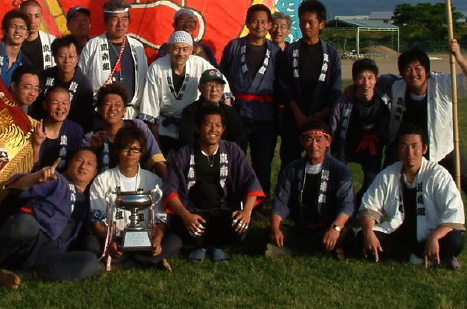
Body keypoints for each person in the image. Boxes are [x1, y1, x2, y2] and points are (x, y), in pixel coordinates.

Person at [383, 41, 467, 229]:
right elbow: (374, 83)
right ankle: (387, 212)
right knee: (390, 174)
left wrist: (459, 57)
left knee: (466, 178)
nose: (413, 74)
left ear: (427, 70)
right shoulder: (397, 87)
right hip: (407, 146)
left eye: (418, 68)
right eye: (407, 69)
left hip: (442, 145)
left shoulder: (443, 83)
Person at [0, 148, 102, 288]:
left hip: (52, 253)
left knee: (91, 262)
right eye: (79, 160)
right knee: (25, 223)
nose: (83, 166)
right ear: (70, 162)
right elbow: (14, 186)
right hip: (32, 237)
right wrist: (35, 178)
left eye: (89, 164)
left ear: (95, 172)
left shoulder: (91, 200)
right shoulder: (56, 179)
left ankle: (20, 275)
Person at [164, 104, 264, 262]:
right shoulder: (184, 153)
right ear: (198, 128)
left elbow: (250, 182)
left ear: (223, 129)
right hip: (193, 212)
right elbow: (171, 189)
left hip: (223, 211)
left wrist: (246, 212)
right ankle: (203, 245)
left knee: (239, 225)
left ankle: (214, 246)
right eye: (208, 124)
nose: (213, 129)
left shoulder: (233, 151)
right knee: (183, 226)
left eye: (218, 125)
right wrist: (186, 215)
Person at [358, 124, 466, 270]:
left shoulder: (438, 174)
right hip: (400, 234)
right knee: (362, 236)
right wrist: (369, 232)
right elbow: (369, 206)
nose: (410, 152)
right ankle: (419, 260)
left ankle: (436, 254)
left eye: (415, 146)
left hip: (429, 234)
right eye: (404, 146)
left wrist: (434, 237)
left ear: (424, 149)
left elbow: (454, 213)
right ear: (398, 149)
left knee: (456, 240)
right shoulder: (388, 174)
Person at [87, 127, 181, 271]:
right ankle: (145, 261)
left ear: (142, 153)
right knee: (91, 243)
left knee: (174, 241)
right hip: (116, 238)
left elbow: (161, 218)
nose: (130, 153)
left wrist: (157, 239)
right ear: (117, 151)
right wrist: (111, 241)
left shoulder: (153, 180)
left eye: (135, 149)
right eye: (126, 148)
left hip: (146, 239)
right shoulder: (102, 180)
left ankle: (126, 262)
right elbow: (97, 220)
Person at [267, 120, 354, 259]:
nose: (314, 145)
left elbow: (347, 204)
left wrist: (335, 228)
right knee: (271, 232)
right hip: (302, 228)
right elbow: (280, 202)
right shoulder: (292, 169)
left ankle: (292, 252)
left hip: (329, 227)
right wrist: (275, 228)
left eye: (319, 140)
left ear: (328, 141)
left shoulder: (340, 170)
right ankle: (322, 251)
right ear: (302, 142)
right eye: (309, 140)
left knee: (345, 235)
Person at [220, 4, 282, 199]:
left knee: (262, 162)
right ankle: (233, 197)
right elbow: (223, 77)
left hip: (265, 116)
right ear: (247, 23)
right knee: (234, 159)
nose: (259, 26)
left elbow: (281, 85)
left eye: (264, 22)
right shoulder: (234, 46)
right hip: (237, 113)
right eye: (255, 21)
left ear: (270, 25)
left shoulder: (276, 52)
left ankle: (260, 200)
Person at [140, 31, 230, 155]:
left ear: (191, 50)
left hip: (191, 125)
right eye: (176, 48)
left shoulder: (199, 63)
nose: (181, 53)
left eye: (185, 49)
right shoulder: (156, 68)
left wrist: (222, 109)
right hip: (163, 128)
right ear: (169, 48)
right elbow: (150, 111)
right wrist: (156, 148)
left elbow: (222, 84)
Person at [278, 0, 342, 170]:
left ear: (321, 24)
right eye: (302, 22)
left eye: (310, 22)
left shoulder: (331, 53)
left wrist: (324, 112)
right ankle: (287, 196)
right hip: (294, 117)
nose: (306, 26)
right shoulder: (290, 51)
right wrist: (297, 113)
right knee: (289, 160)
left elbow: (335, 87)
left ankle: (318, 196)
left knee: (319, 162)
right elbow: (283, 85)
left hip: (321, 118)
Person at [329, 58, 390, 206]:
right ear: (355, 80)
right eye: (361, 78)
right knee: (339, 178)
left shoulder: (384, 98)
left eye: (370, 78)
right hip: (347, 144)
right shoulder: (344, 101)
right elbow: (333, 126)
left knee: (372, 180)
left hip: (372, 147)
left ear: (376, 79)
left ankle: (359, 206)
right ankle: (340, 206)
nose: (366, 83)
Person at [79, 0, 148, 119]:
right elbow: (81, 79)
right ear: (106, 21)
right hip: (101, 114)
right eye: (115, 19)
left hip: (131, 115)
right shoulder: (92, 45)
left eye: (124, 19)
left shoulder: (137, 47)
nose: (120, 24)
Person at [82, 83, 167, 179]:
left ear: (124, 110)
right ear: (100, 110)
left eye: (117, 105)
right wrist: (93, 149)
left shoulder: (138, 126)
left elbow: (155, 158)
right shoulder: (91, 137)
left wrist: (168, 185)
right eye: (107, 104)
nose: (112, 108)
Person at [178, 68, 248, 152]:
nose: (214, 90)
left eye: (218, 85)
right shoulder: (190, 111)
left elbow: (240, 139)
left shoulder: (230, 112)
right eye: (209, 85)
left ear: (223, 90)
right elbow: (186, 140)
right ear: (200, 88)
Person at [36, 35, 94, 131]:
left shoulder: (84, 86)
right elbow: (36, 109)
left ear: (77, 58)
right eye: (62, 56)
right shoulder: (43, 77)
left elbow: (85, 120)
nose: (67, 61)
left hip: (72, 134)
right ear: (54, 58)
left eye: (71, 56)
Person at [33, 86, 85, 172]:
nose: (60, 107)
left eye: (64, 103)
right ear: (45, 105)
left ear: (70, 105)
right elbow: (29, 167)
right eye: (55, 103)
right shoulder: (35, 128)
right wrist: (36, 146)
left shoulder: (75, 130)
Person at [0, 9, 32, 88]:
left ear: (27, 34)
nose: (17, 31)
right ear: (4, 31)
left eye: (22, 27)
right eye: (13, 26)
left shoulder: (26, 64)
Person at [19, 0, 55, 75]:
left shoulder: (52, 42)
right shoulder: (12, 41)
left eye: (36, 16)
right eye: (28, 16)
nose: (33, 21)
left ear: (41, 17)